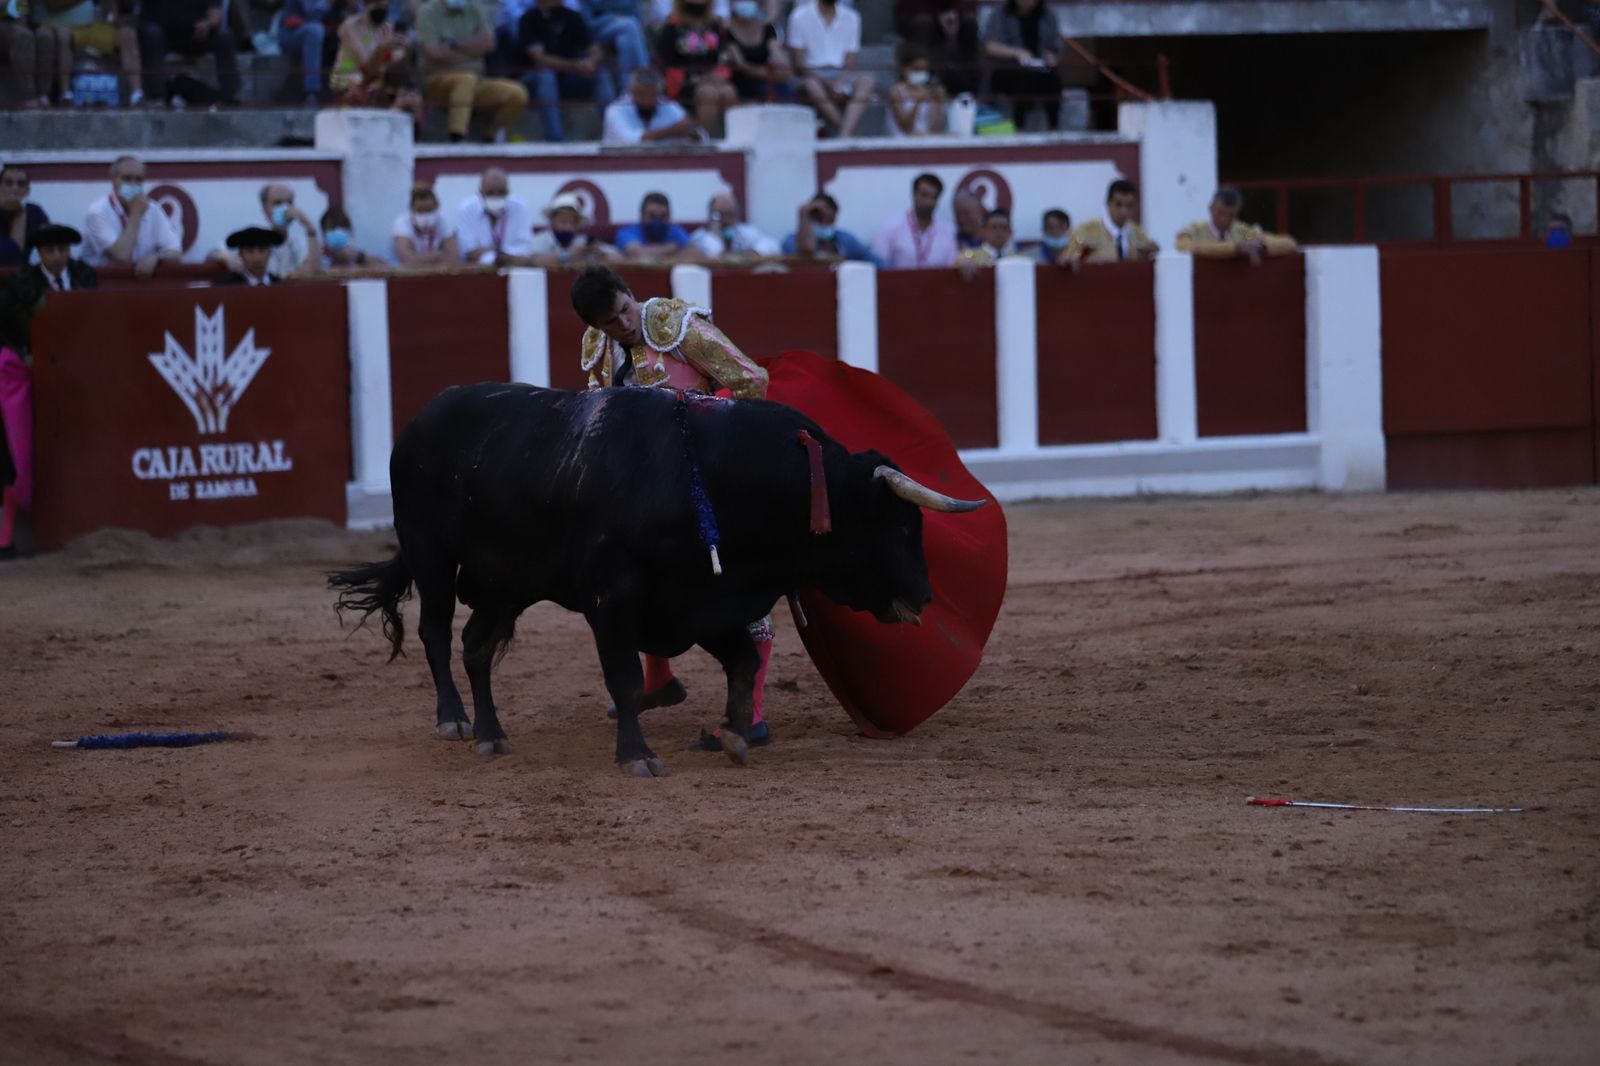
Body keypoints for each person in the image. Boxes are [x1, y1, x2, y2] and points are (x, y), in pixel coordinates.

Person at [568, 263, 775, 750]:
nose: (624, 325)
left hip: (705, 482)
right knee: (629, 580)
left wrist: (702, 427)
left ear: (630, 293)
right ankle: (657, 681)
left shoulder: (679, 328)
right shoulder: (597, 346)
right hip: (642, 491)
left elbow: (751, 381)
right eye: (610, 322)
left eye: (624, 310)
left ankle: (755, 715)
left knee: (741, 590)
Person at [416, 0, 529, 143]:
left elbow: (489, 43)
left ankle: (494, 138)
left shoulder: (475, 9)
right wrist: (473, 49)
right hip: (437, 81)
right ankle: (457, 137)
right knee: (465, 78)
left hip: (476, 81)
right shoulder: (428, 11)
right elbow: (435, 53)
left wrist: (454, 45)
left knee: (516, 93)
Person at [519, 0, 613, 142]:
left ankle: (612, 132)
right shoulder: (528, 19)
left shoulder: (572, 17)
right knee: (546, 75)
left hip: (567, 80)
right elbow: (539, 58)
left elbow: (595, 50)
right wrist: (576, 65)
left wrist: (591, 62)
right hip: (533, 83)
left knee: (600, 73)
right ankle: (555, 138)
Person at [0, 224, 97, 359]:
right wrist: (22, 355)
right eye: (49, 250)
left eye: (62, 249)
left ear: (69, 251)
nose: (56, 256)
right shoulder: (20, 281)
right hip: (38, 353)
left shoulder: (84, 274)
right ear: (39, 253)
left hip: (81, 350)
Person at [82, 155, 183, 275]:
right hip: (102, 285)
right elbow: (121, 256)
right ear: (114, 179)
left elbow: (175, 252)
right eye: (127, 179)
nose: (133, 184)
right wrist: (135, 214)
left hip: (141, 285)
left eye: (138, 180)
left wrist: (157, 258)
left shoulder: (153, 209)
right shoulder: (98, 212)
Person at [33, 0, 145, 107]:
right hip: (64, 26)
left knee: (128, 34)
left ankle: (137, 95)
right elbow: (53, 5)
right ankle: (66, 95)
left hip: (94, 24)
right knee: (63, 35)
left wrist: (111, 9)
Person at [788, 0, 872, 138]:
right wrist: (827, 82)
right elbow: (799, 62)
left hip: (842, 74)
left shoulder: (852, 17)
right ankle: (844, 130)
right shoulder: (799, 16)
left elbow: (851, 58)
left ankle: (844, 132)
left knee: (867, 81)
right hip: (813, 74)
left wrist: (840, 81)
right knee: (812, 85)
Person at [207, 182, 322, 278]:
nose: (285, 208)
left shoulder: (301, 240)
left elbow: (315, 272)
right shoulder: (253, 236)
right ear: (264, 208)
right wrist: (227, 258)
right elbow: (213, 254)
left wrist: (309, 226)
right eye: (278, 203)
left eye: (289, 202)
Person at [657, 0, 737, 135]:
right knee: (708, 93)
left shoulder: (716, 26)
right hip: (683, 82)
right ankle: (704, 141)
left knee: (729, 92)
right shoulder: (670, 27)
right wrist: (700, 78)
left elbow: (724, 57)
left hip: (714, 79)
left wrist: (718, 76)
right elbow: (669, 63)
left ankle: (731, 141)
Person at [139, 0, 241, 105]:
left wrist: (207, 24)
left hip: (196, 35)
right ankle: (156, 95)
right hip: (161, 35)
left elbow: (215, 13)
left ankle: (230, 94)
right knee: (151, 33)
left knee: (224, 37)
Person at [982, 0, 1063, 131]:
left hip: (1039, 67)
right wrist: (1017, 53)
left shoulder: (1048, 15)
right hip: (1007, 69)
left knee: (1054, 78)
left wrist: (1051, 57)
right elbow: (990, 46)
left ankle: (1054, 126)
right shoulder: (1001, 13)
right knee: (1025, 76)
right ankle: (1018, 125)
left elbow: (1055, 47)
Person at [1175, 187, 1298, 264]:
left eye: (1231, 215)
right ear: (1211, 208)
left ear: (1237, 213)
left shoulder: (1243, 231)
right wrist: (1235, 249)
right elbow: (1185, 247)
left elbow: (1289, 243)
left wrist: (1261, 247)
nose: (1225, 219)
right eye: (1221, 212)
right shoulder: (1195, 231)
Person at [1061, 178, 1158, 265]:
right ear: (1108, 203)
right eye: (1118, 205)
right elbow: (1067, 259)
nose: (1124, 211)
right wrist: (1085, 261)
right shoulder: (1085, 231)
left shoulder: (1139, 234)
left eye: (1129, 205)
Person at [871, 172, 957, 270]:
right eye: (924, 195)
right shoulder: (890, 228)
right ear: (913, 195)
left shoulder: (947, 232)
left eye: (934, 197)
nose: (929, 202)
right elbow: (878, 268)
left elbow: (950, 268)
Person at [895, 0, 978, 96]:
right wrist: (938, 17)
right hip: (920, 16)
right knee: (923, 22)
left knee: (970, 21)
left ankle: (971, 80)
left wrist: (953, 15)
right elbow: (907, 6)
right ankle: (922, 77)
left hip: (952, 16)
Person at [455, 166, 535, 265]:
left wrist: (495, 254)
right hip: (479, 269)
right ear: (480, 193)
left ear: (508, 192)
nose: (496, 196)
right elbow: (469, 251)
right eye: (490, 192)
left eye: (501, 192)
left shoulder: (520, 207)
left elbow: (525, 248)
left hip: (513, 267)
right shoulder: (467, 209)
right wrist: (504, 256)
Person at [602, 69, 702, 145]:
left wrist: (693, 133)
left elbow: (703, 137)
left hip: (663, 166)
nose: (647, 100)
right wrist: (671, 131)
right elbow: (629, 141)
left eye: (652, 95)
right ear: (631, 92)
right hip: (621, 166)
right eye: (641, 94)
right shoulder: (616, 109)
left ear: (660, 93)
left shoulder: (670, 106)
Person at [783, 192, 882, 266]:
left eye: (829, 220)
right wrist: (804, 213)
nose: (824, 224)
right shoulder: (791, 241)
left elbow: (880, 265)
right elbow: (807, 250)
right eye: (819, 219)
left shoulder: (846, 240)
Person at [723, 0, 790, 103]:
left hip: (767, 82)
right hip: (741, 86)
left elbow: (781, 61)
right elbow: (742, 65)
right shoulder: (726, 31)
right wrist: (771, 74)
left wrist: (781, 69)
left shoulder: (767, 28)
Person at [574, 0, 649, 88]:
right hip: (598, 34)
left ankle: (627, 90)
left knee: (624, 41)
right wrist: (612, 18)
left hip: (628, 33)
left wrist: (621, 20)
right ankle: (646, 79)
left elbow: (638, 21)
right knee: (630, 24)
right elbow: (588, 25)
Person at [526, 191, 613, 267]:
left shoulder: (583, 241)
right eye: (563, 221)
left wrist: (601, 254)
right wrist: (566, 255)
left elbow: (619, 258)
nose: (568, 226)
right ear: (552, 222)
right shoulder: (539, 240)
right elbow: (532, 262)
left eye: (573, 223)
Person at [687, 191, 780, 259]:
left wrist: (755, 252)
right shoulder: (700, 237)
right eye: (721, 214)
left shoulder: (746, 232)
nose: (726, 219)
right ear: (711, 214)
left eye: (729, 214)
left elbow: (773, 245)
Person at [2, 2, 57, 108]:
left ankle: (43, 95)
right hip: (5, 20)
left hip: (25, 19)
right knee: (23, 36)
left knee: (46, 36)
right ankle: (28, 96)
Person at [887, 42, 946, 138]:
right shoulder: (896, 91)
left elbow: (935, 129)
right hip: (903, 142)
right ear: (903, 68)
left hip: (925, 140)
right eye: (916, 69)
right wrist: (918, 101)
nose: (921, 73)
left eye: (924, 69)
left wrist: (938, 103)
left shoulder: (928, 91)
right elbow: (906, 128)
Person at [392, 183, 460, 266]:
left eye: (429, 210)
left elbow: (454, 259)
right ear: (411, 210)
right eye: (420, 211)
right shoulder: (402, 223)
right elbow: (407, 260)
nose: (424, 215)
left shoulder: (444, 222)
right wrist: (438, 256)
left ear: (437, 207)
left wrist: (419, 259)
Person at [613, 191, 693, 261]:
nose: (658, 221)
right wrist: (673, 248)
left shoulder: (675, 231)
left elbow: (696, 254)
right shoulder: (626, 233)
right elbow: (639, 254)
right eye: (652, 216)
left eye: (663, 216)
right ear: (642, 216)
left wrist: (653, 255)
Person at [279, 0, 330, 103]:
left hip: (328, 32)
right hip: (292, 32)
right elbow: (312, 12)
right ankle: (312, 92)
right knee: (315, 30)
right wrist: (330, 3)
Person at [0, 165, 49, 268]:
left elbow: (51, 242)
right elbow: (10, 257)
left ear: (27, 190)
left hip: (23, 276)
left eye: (21, 184)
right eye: (9, 183)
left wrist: (21, 212)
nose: (15, 188)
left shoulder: (35, 212)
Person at [214, 226, 286, 285]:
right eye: (250, 251)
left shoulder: (280, 284)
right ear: (241, 254)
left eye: (262, 250)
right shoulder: (227, 285)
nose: (257, 258)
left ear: (270, 253)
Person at [320, 206, 374, 270]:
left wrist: (359, 257)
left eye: (342, 228)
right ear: (323, 232)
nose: (338, 232)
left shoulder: (354, 256)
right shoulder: (319, 255)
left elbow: (381, 266)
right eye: (333, 228)